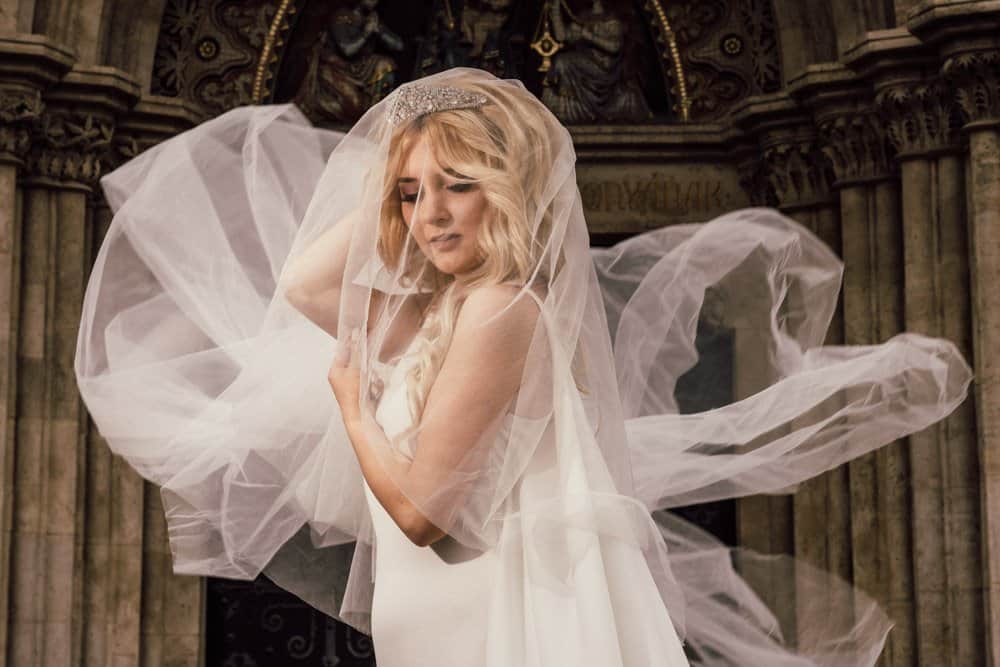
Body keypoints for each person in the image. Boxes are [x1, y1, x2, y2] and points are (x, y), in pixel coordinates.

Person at [76, 68, 972, 666]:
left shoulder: (504, 310)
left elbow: (424, 511)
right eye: (412, 196)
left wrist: (352, 405)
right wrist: (397, 160)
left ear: (506, 193)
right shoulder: (439, 314)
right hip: (434, 624)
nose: (431, 213)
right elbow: (308, 282)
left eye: (459, 185)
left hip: (499, 624)